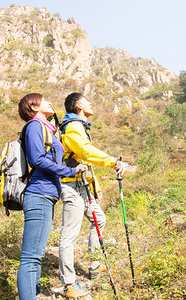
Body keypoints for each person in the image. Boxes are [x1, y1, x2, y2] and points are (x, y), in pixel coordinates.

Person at [16, 93, 87, 300]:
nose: (50, 102)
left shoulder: (47, 128)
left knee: (35, 256)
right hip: (38, 194)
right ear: (34, 106)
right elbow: (38, 160)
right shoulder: (35, 126)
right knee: (31, 257)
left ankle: (34, 295)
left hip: (46, 195)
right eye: (44, 100)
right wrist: (71, 172)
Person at [58, 92, 125, 300]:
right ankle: (68, 283)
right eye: (87, 100)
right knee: (68, 236)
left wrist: (94, 185)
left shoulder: (80, 126)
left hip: (83, 185)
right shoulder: (73, 127)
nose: (91, 103)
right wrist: (113, 161)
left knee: (100, 220)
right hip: (71, 186)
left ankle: (95, 265)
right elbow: (86, 152)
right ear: (79, 105)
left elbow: (82, 160)